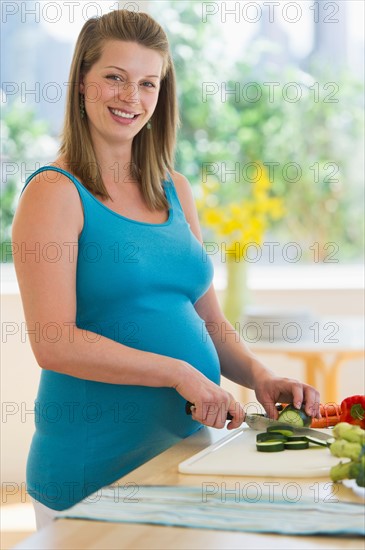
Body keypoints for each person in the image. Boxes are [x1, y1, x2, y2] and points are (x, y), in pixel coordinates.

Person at [12, 9, 320, 529]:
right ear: (81, 83)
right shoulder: (54, 192)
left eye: (147, 82)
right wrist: (179, 374)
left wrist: (260, 375)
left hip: (184, 451)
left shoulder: (174, 188)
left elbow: (210, 324)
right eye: (114, 77)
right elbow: (54, 341)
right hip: (93, 468)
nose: (130, 96)